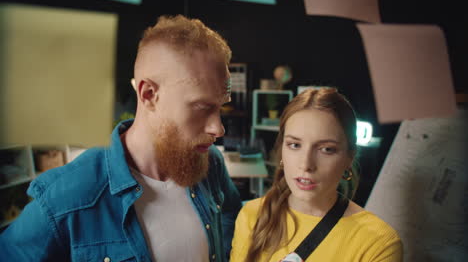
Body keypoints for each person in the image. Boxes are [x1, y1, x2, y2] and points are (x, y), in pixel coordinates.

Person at [0, 15, 242, 262]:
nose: (218, 129)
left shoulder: (209, 164)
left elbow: (232, 218)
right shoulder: (66, 198)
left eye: (220, 107)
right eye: (201, 107)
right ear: (148, 94)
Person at [230, 88, 403, 262]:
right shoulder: (251, 216)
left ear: (349, 157)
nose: (306, 165)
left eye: (326, 149)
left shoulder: (378, 243)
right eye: (295, 145)